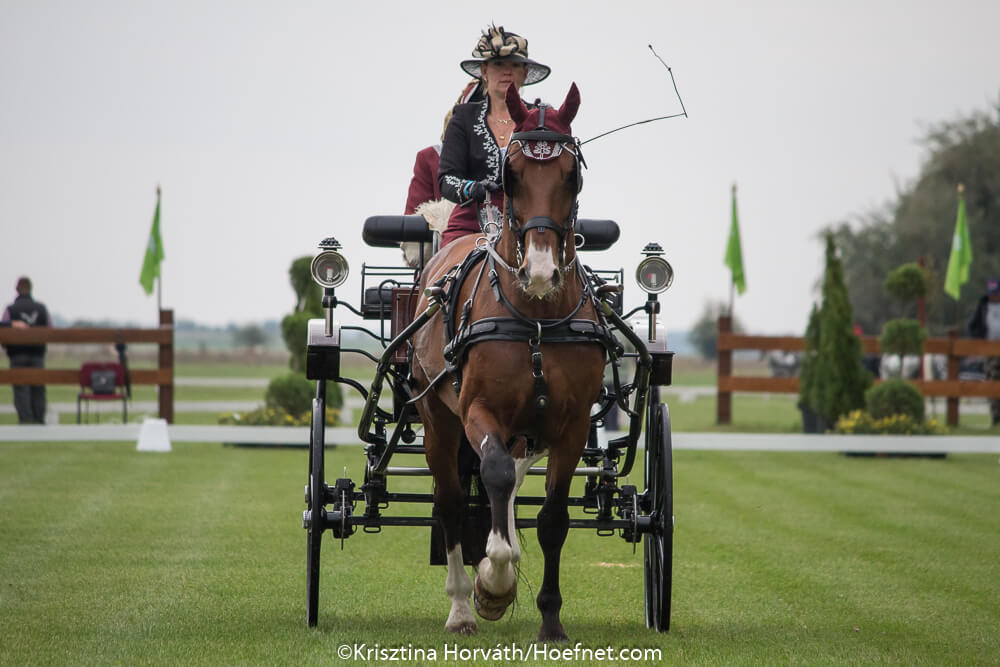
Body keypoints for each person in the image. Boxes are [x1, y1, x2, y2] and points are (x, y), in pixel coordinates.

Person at [438, 25, 551, 247]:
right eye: (499, 64)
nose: (507, 72)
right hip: (470, 224)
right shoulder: (462, 118)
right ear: (484, 71)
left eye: (515, 65)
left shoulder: (542, 120)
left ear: (525, 73)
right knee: (445, 278)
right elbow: (446, 179)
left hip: (530, 226)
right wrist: (472, 188)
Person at [1, 277, 51, 424]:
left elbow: (3, 328)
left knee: (21, 389)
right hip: (37, 354)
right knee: (39, 387)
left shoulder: (10, 309)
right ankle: (39, 419)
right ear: (31, 288)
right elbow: (51, 330)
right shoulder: (41, 308)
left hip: (17, 355)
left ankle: (26, 420)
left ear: (17, 289)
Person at [967, 277, 1000, 425]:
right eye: (992, 293)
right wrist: (978, 341)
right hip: (990, 351)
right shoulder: (983, 306)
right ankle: (996, 416)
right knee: (991, 382)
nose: (994, 296)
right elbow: (973, 326)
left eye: (996, 293)